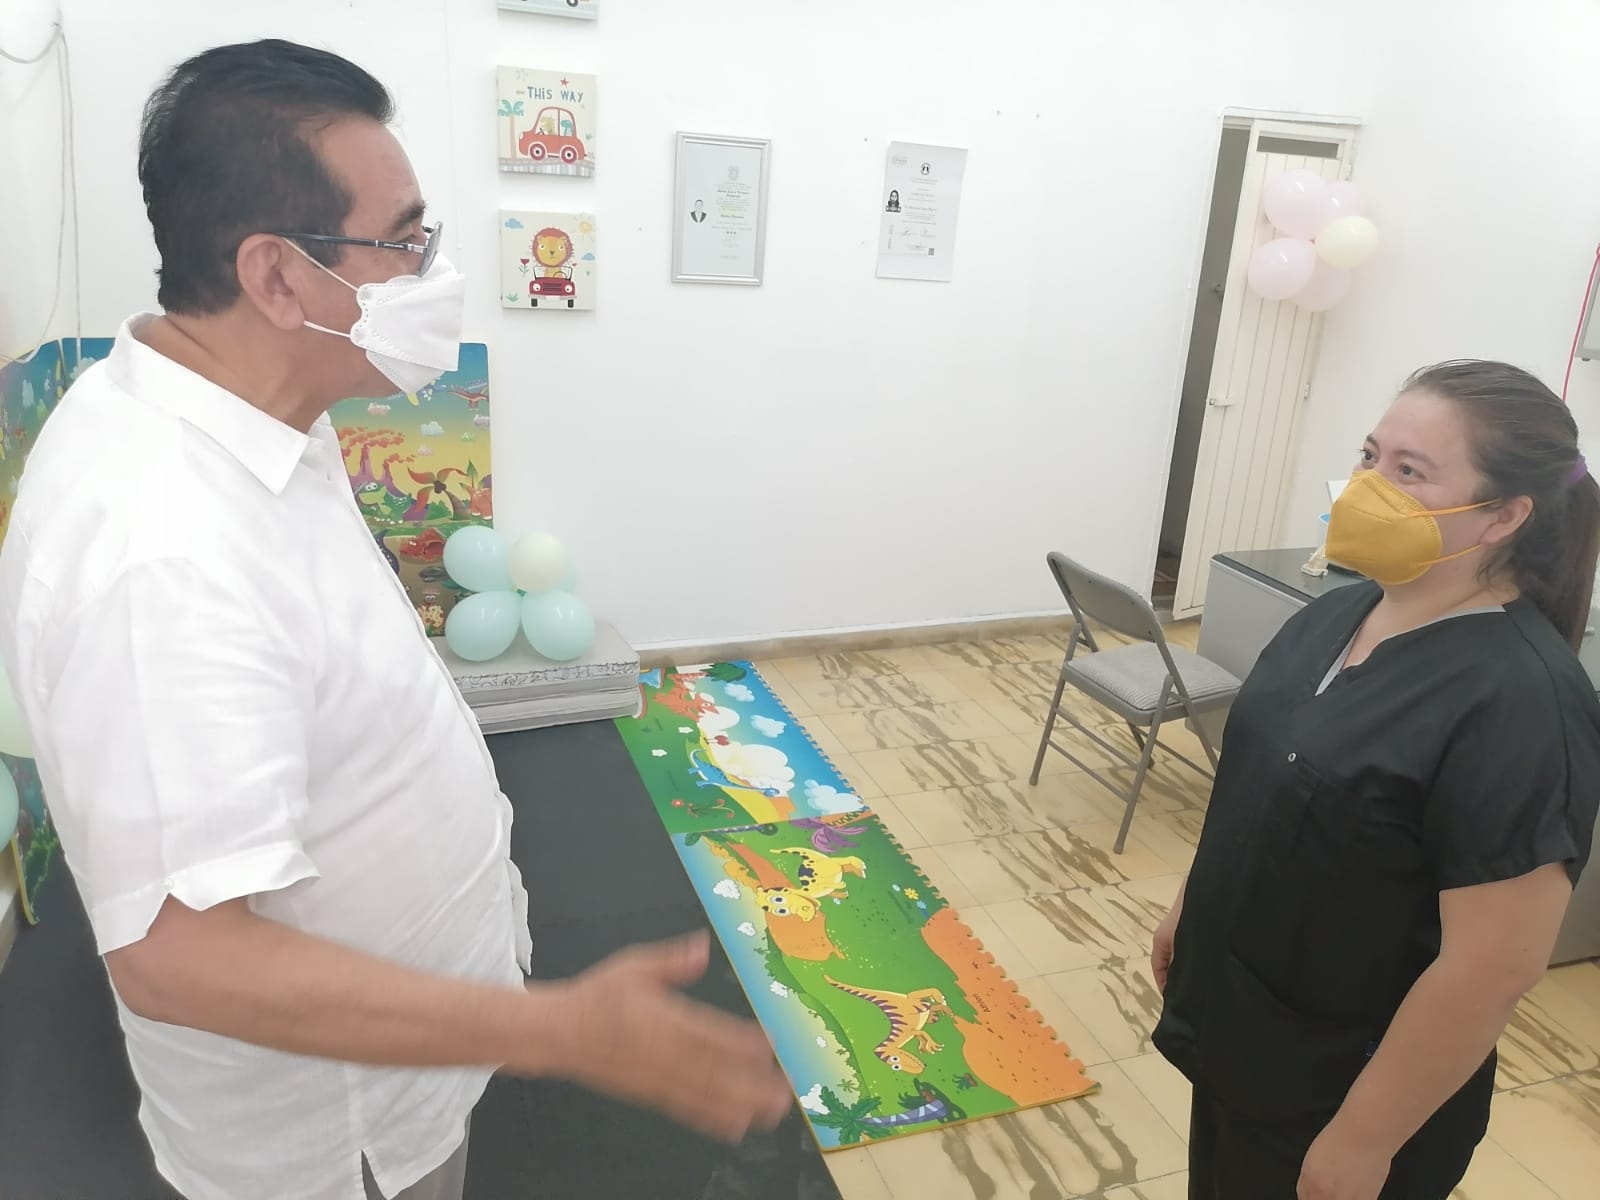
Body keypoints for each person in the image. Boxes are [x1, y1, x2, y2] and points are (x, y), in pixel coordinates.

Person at [0, 38, 790, 1200]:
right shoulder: (158, 551)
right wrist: (564, 1031)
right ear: (277, 277)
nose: (434, 271)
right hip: (338, 1138)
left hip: (415, 1055)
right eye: (406, 240)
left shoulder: (247, 404)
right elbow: (180, 953)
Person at [1150, 359, 1600, 1200]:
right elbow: (1260, 784)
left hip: (1343, 1092)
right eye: (1370, 455)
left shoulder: (1521, 704)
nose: (1368, 486)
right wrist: (1192, 903)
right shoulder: (1338, 613)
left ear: (1504, 515)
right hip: (1245, 1035)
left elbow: (1493, 968)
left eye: (1409, 471)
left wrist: (1365, 1138)